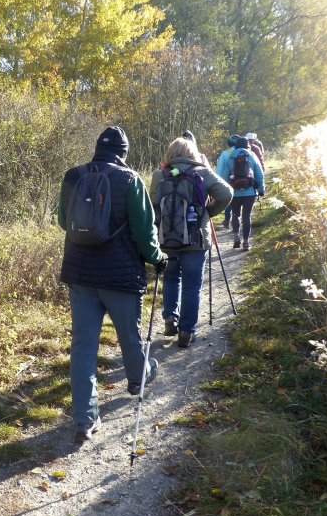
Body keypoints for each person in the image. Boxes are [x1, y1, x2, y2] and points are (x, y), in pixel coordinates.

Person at [58, 126, 167, 444]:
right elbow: (144, 232)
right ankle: (139, 380)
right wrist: (157, 258)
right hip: (120, 277)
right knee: (130, 337)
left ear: (97, 148)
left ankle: (84, 420)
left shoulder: (72, 176)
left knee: (82, 347)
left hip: (79, 276)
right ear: (124, 151)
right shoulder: (131, 180)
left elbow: (63, 221)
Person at [150, 137, 233, 347]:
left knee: (170, 278)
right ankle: (186, 332)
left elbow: (153, 205)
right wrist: (207, 213)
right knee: (192, 286)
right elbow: (226, 193)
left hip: (167, 239)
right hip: (195, 239)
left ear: (170, 154)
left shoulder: (159, 175)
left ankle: (170, 318)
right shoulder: (202, 172)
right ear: (193, 153)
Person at [219, 136, 264, 250]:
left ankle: (236, 237)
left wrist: (225, 190)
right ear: (247, 146)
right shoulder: (252, 156)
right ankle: (246, 242)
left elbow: (224, 176)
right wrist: (261, 190)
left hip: (235, 192)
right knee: (246, 216)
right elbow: (259, 174)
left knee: (235, 214)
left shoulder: (230, 157)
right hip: (249, 192)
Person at [216, 135, 239, 229]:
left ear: (229, 144)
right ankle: (236, 221)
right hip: (242, 181)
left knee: (229, 200)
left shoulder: (226, 153)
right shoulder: (244, 152)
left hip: (228, 181)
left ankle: (227, 220)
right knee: (238, 201)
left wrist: (218, 181)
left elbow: (219, 169)